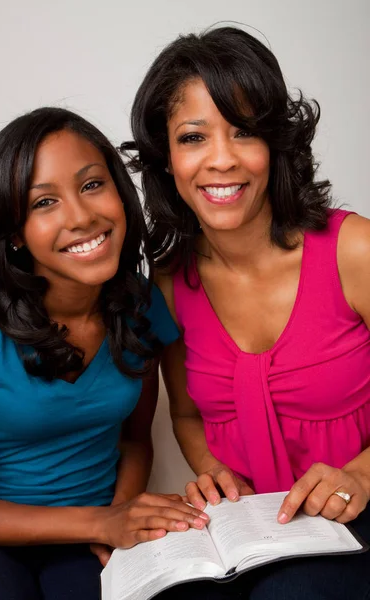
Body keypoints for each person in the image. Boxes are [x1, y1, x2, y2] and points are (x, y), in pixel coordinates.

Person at [124, 25, 370, 599]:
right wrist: (214, 471)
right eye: (193, 137)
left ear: (275, 145)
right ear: (166, 158)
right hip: (252, 529)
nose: (222, 160)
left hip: (355, 514)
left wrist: (360, 474)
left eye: (244, 132)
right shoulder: (167, 283)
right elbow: (185, 415)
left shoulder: (352, 250)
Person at [0, 107, 210, 600]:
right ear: (14, 232)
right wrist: (105, 521)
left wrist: (124, 520)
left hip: (88, 540)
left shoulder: (142, 307)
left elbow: (136, 441)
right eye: (44, 203)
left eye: (92, 185)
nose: (81, 217)